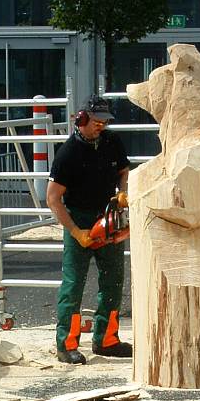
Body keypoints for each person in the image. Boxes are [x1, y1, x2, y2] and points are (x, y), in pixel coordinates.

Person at [46, 95, 132, 365]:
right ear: (81, 120)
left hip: (107, 215)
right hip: (79, 218)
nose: (101, 126)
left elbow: (124, 171)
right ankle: (66, 344)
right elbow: (53, 198)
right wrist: (75, 231)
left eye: (105, 122)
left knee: (113, 281)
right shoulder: (67, 154)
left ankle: (106, 340)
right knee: (73, 285)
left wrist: (123, 194)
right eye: (96, 122)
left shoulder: (111, 142)